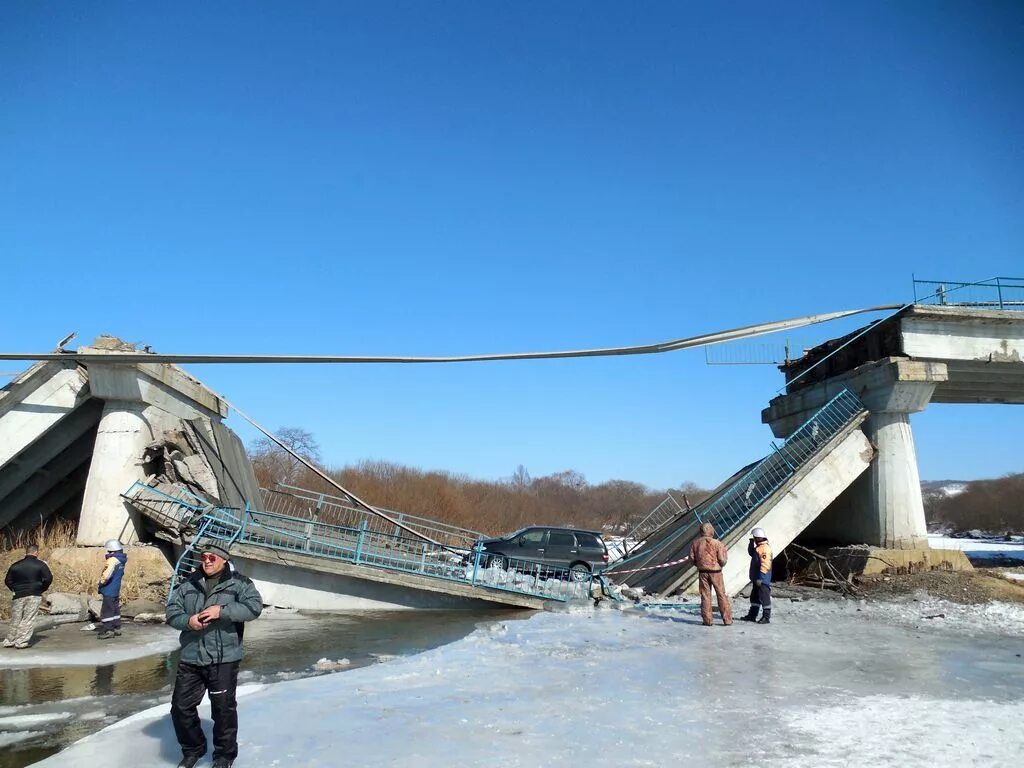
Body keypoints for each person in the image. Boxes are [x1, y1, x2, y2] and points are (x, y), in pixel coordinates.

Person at [165, 543, 263, 768]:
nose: (207, 561)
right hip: (191, 656)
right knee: (180, 708)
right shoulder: (188, 583)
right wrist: (188, 622)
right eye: (204, 557)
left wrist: (223, 611)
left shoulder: (240, 583)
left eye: (212, 557)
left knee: (223, 710)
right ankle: (193, 749)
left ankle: (224, 757)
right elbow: (172, 612)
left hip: (223, 658)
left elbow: (254, 608)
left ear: (223, 560)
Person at [3, 544, 53, 649]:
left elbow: (7, 581)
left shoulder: (15, 565)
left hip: (18, 595)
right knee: (28, 619)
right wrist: (41, 588)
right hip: (34, 594)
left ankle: (10, 641)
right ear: (36, 552)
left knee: (16, 618)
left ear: (26, 552)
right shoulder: (41, 565)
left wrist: (14, 589)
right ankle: (21, 642)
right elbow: (48, 578)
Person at [688, 522, 732, 626]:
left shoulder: (695, 543)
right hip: (716, 572)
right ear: (711, 530)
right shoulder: (717, 543)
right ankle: (727, 619)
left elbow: (691, 559)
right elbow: (722, 559)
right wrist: (721, 564)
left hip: (702, 572)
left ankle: (707, 620)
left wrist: (700, 564)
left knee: (705, 596)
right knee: (721, 595)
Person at [740, 527, 773, 624]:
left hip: (762, 579)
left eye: (754, 537)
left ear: (758, 538)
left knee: (764, 597)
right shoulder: (758, 547)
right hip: (757, 578)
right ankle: (752, 615)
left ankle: (766, 617)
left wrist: (761, 577)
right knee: (754, 597)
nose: (754, 539)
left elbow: (766, 564)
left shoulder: (764, 549)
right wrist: (751, 544)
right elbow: (752, 553)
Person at [97, 539, 127, 640]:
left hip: (109, 589)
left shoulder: (112, 560)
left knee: (107, 611)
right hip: (116, 589)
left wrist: (101, 583)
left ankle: (108, 630)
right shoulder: (121, 560)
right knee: (115, 609)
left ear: (111, 551)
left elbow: (106, 575)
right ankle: (117, 627)